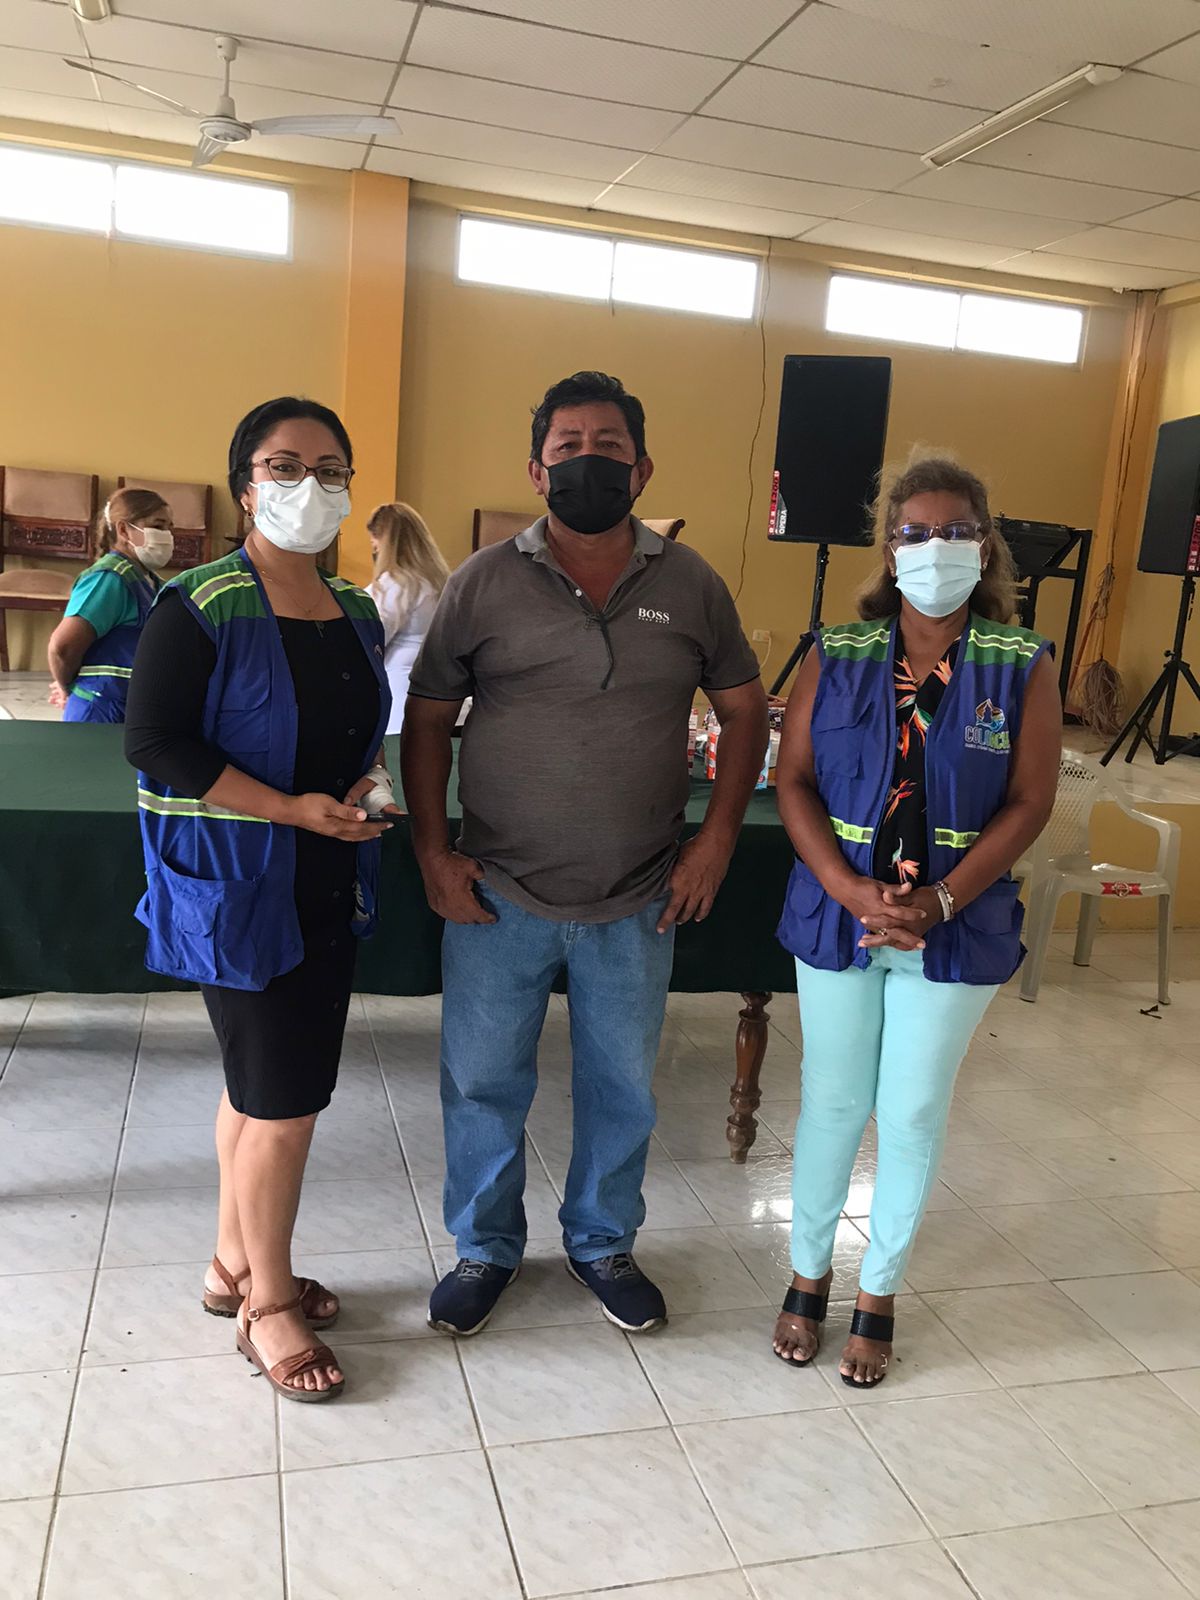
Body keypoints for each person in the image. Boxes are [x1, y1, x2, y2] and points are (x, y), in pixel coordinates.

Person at [402, 370, 769, 1337]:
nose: (588, 461)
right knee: (483, 1084)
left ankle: (603, 1242)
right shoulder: (483, 581)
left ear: (642, 469)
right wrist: (434, 851)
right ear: (537, 469)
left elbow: (745, 714)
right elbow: (428, 720)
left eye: (609, 447)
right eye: (567, 447)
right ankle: (484, 1249)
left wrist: (716, 841)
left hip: (639, 893)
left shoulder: (691, 584)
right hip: (498, 890)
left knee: (623, 1088)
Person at [124, 396, 398, 1404]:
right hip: (241, 883)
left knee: (257, 1089)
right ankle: (269, 1306)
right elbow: (155, 741)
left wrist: (364, 786)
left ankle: (231, 1264)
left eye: (331, 469)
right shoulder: (199, 603)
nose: (309, 486)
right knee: (285, 1103)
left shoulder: (356, 610)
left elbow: (354, 729)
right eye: (285, 466)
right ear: (246, 486)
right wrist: (288, 808)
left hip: (327, 872)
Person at [771, 453, 1061, 1387]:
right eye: (917, 532)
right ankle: (807, 1275)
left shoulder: (1022, 663)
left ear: (988, 546)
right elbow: (793, 780)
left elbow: (1030, 802)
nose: (937, 547)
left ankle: (879, 1290)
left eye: (957, 531)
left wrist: (939, 901)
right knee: (831, 1103)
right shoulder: (838, 651)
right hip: (841, 920)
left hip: (957, 926)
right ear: (890, 549)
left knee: (911, 1111)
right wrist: (849, 888)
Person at [49, 487, 175, 721]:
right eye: (157, 527)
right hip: (101, 710)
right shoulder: (110, 579)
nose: (166, 535)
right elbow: (63, 647)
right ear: (124, 530)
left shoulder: (149, 581)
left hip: (127, 707)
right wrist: (68, 687)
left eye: (169, 528)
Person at [366, 501, 450, 736]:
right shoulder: (439, 583)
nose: (374, 548)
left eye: (374, 541)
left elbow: (370, 639)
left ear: (385, 540)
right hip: (439, 697)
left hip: (400, 700)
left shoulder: (396, 585)